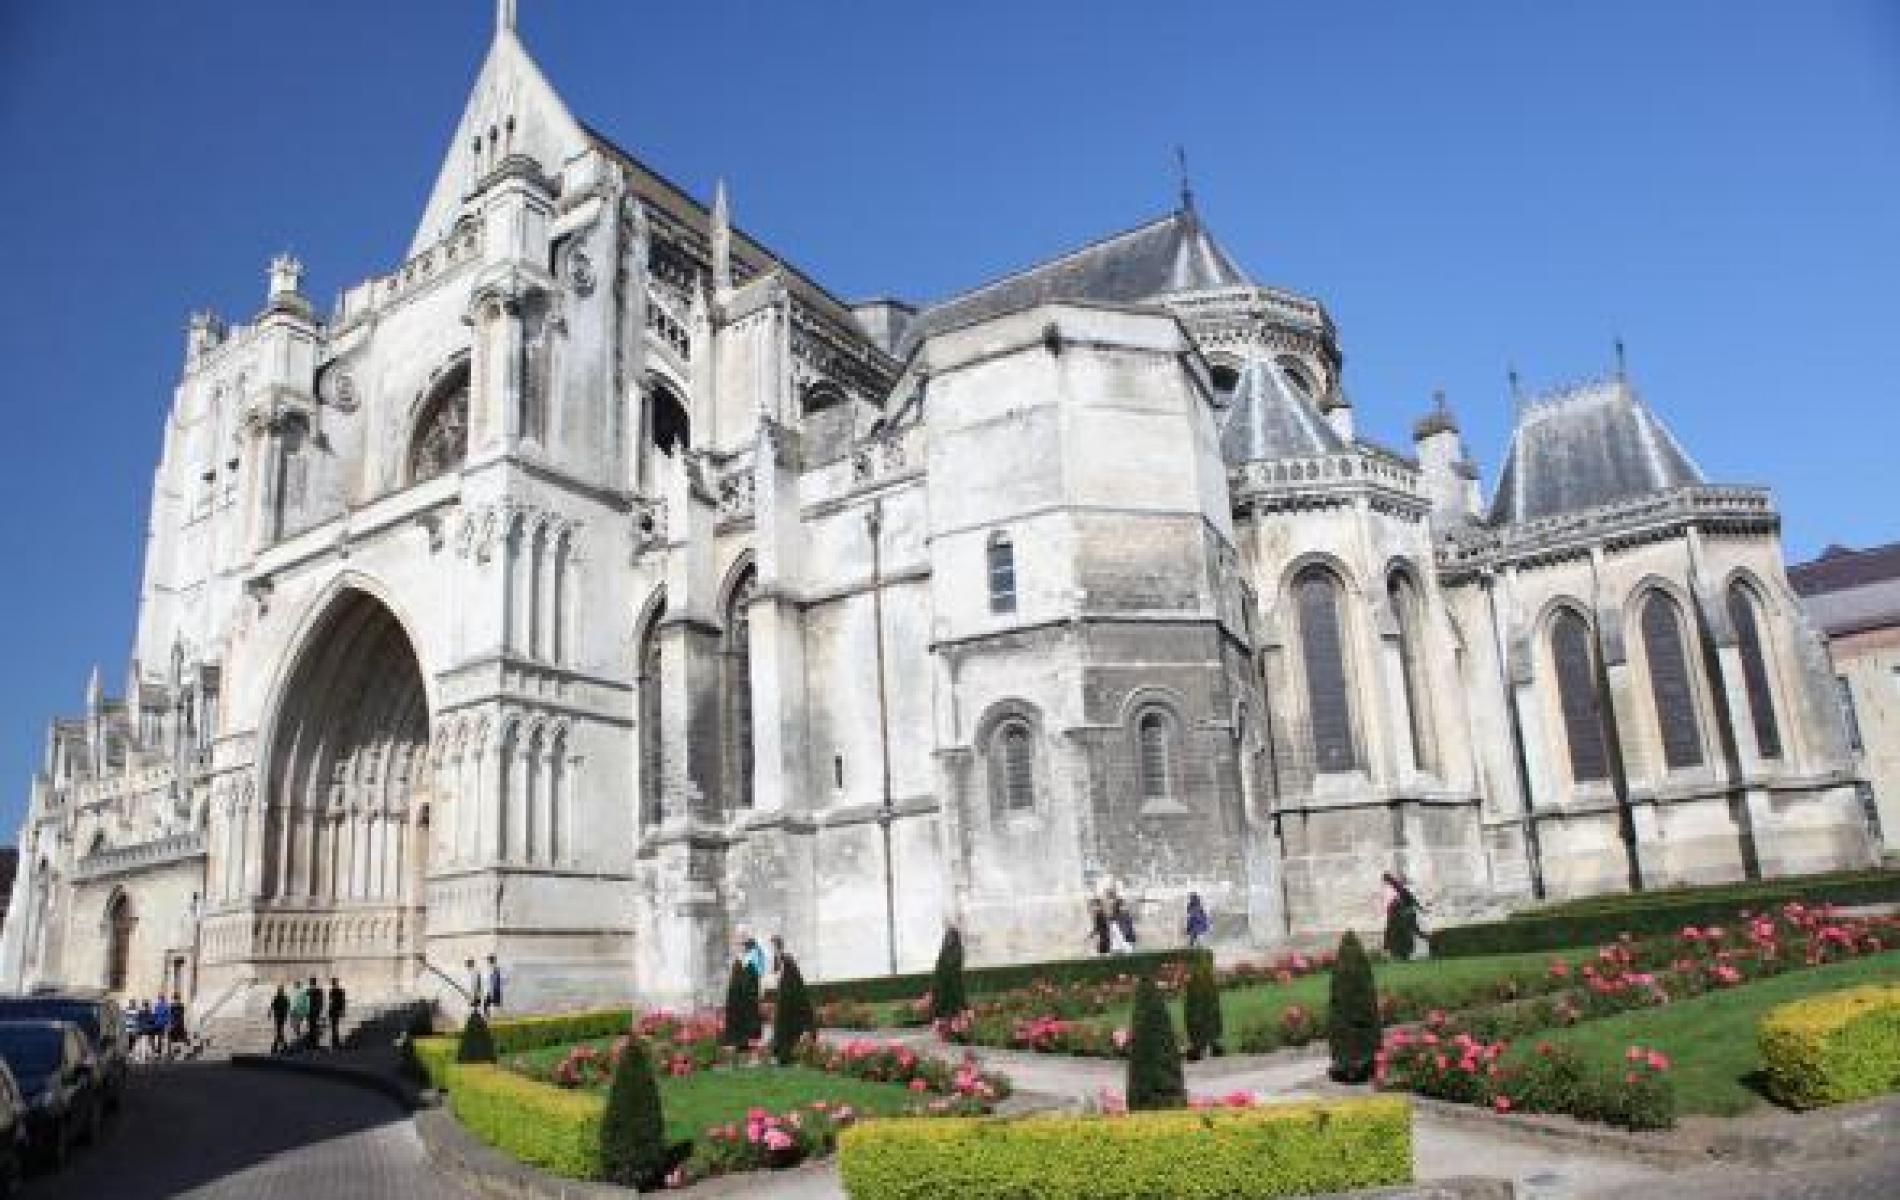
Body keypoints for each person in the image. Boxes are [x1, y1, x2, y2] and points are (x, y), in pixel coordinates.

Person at [1380, 871, 1426, 960]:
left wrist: (1420, 908)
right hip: (1399, 918)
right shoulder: (1402, 898)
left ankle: (1397, 951)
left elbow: (1410, 898)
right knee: (1395, 929)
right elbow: (1399, 888)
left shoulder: (1404, 897)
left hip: (1402, 919)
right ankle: (1394, 950)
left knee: (1409, 929)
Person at [289, 979, 310, 1052]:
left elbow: (293, 1002)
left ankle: (299, 1037)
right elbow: (307, 1002)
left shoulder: (296, 993)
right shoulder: (302, 992)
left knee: (295, 1025)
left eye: (295, 984)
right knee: (296, 1025)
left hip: (296, 1011)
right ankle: (299, 1036)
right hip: (300, 1011)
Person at [269, 984, 291, 1054]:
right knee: (279, 1030)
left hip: (279, 1016)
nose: (280, 991)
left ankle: (279, 1046)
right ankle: (282, 1046)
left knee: (279, 1031)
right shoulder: (283, 998)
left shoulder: (278, 998)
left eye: (280, 990)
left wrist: (270, 1013)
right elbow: (287, 1007)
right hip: (280, 1016)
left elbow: (272, 1006)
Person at [327, 978, 347, 1051]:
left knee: (334, 1026)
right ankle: (335, 1040)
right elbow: (342, 1002)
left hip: (333, 1010)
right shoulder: (339, 991)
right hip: (335, 1009)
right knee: (335, 1025)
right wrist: (342, 1010)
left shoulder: (332, 991)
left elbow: (331, 1001)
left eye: (332, 983)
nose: (332, 984)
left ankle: (335, 1040)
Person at [305, 978, 324, 1051]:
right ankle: (314, 1043)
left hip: (311, 1012)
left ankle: (312, 1043)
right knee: (313, 1027)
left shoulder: (309, 991)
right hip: (314, 1012)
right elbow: (320, 1002)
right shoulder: (317, 991)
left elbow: (306, 1002)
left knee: (311, 1027)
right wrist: (319, 1010)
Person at [167, 992, 188, 1058]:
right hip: (179, 1024)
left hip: (176, 1025)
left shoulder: (172, 1007)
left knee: (173, 1039)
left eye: (175, 999)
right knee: (181, 1039)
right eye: (176, 999)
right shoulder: (181, 1006)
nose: (175, 1000)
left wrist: (170, 1024)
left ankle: (173, 1053)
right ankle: (180, 1052)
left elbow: (170, 1016)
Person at [149, 994, 171, 1059]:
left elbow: (154, 1015)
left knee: (157, 1037)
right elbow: (168, 1016)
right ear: (163, 999)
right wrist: (167, 1023)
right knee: (160, 1037)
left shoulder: (156, 1006)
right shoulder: (166, 1006)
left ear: (159, 999)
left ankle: (156, 1050)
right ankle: (159, 1051)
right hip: (162, 1024)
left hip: (156, 1023)